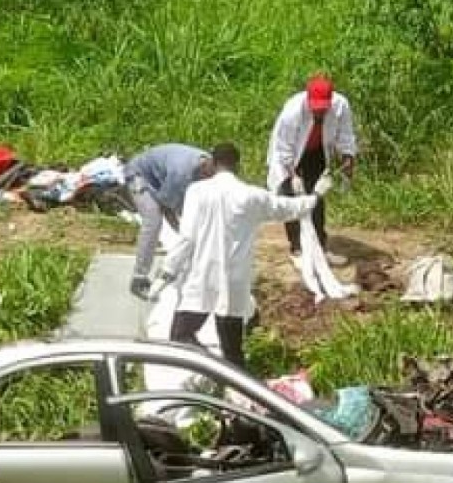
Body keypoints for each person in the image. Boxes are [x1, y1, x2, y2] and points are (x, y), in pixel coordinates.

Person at [156, 142, 326, 371]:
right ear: (237, 166)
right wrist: (315, 196)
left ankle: (212, 371)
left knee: (181, 337)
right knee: (232, 351)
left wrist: (167, 270)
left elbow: (186, 238)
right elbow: (287, 207)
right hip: (233, 282)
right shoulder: (250, 195)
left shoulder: (197, 191)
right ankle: (234, 384)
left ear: (214, 164)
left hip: (203, 278)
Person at [266, 74, 357, 265]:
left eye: (323, 110)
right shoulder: (293, 111)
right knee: (291, 197)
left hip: (317, 151)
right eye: (316, 110)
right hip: (291, 154)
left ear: (330, 101)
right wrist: (292, 174)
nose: (319, 114)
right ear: (308, 100)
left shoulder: (341, 106)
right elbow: (284, 147)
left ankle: (320, 247)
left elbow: (346, 134)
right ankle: (297, 248)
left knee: (317, 197)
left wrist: (348, 156)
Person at [126, 143, 214, 298]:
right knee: (153, 219)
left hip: (161, 178)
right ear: (205, 169)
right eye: (208, 177)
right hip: (140, 176)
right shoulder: (181, 173)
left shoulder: (208, 167)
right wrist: (183, 232)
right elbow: (166, 208)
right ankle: (139, 278)